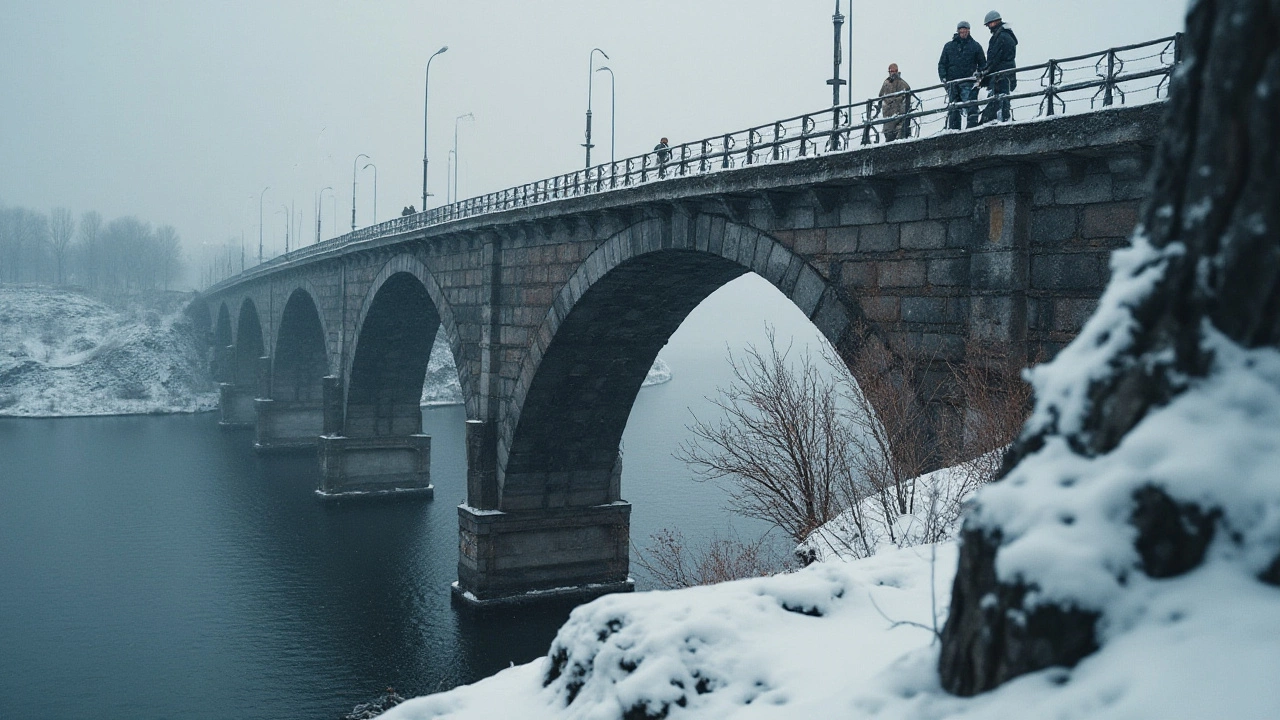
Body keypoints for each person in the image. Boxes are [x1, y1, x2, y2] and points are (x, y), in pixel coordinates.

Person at [938, 21, 986, 130]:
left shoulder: (975, 46)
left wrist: (978, 75)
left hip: (968, 82)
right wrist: (944, 78)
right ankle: (954, 131)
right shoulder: (949, 46)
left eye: (965, 30)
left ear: (969, 31)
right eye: (961, 30)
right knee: (954, 109)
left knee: (971, 106)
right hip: (952, 83)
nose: (963, 32)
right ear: (958, 31)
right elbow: (942, 63)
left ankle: (972, 129)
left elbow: (983, 64)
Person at [977, 10, 1018, 125]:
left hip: (1001, 74)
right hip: (1004, 73)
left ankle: (998, 121)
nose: (989, 27)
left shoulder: (1001, 36)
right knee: (1001, 99)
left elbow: (995, 58)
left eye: (989, 24)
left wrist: (985, 72)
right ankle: (1000, 119)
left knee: (1000, 98)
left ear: (995, 22)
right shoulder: (1004, 34)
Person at [878, 64, 912, 141]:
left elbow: (905, 96)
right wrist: (885, 102)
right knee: (887, 133)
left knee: (897, 134)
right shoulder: (886, 82)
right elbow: (880, 95)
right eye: (890, 71)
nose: (892, 73)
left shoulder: (902, 83)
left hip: (897, 113)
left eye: (893, 71)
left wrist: (894, 101)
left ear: (897, 71)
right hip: (887, 114)